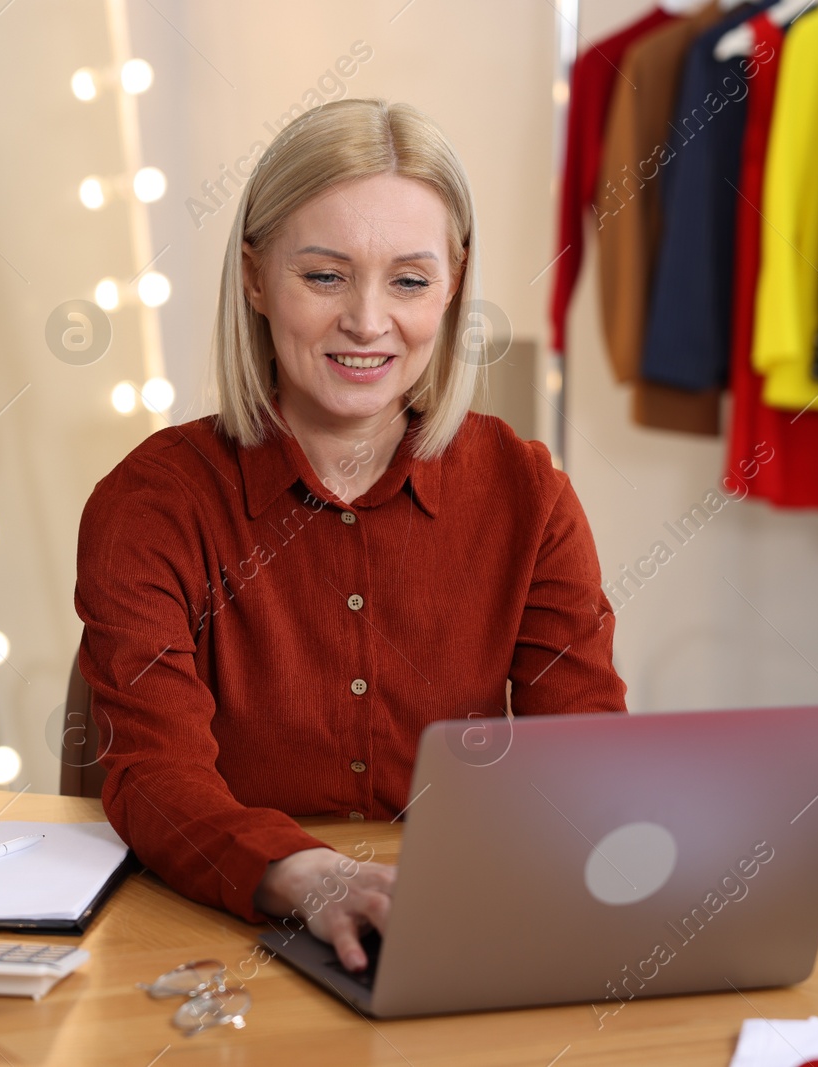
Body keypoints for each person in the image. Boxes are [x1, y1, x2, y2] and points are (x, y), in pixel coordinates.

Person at [76, 98, 626, 971]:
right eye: (325, 276)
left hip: (461, 930)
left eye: (409, 280)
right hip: (213, 940)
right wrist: (311, 877)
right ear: (255, 278)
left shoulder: (530, 493)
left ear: (453, 282)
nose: (369, 322)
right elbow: (152, 774)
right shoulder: (153, 501)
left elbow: (585, 764)